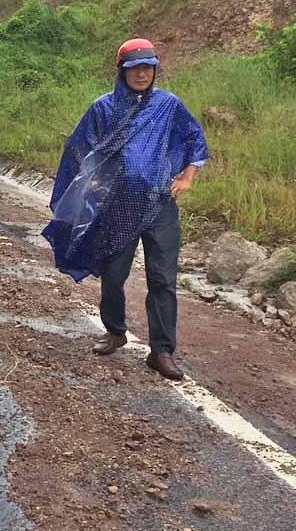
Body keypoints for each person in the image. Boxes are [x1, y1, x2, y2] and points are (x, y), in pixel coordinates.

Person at [42, 38, 209, 381]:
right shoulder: (102, 108)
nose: (142, 74)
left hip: (158, 204)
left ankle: (161, 351)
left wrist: (188, 178)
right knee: (114, 275)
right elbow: (78, 150)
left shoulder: (168, 105)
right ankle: (115, 330)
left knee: (162, 278)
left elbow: (195, 140)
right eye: (135, 68)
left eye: (148, 68)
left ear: (155, 70)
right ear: (122, 71)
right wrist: (89, 183)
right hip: (115, 207)